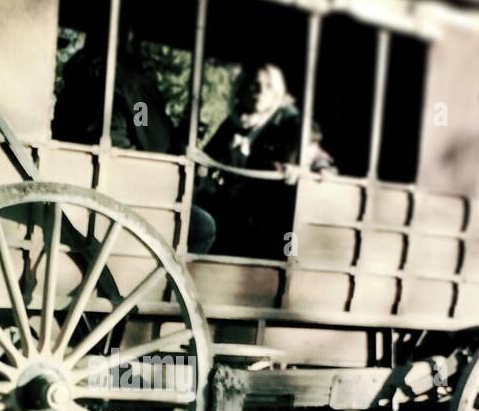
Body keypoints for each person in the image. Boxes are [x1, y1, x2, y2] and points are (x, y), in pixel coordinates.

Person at [191, 63, 332, 256]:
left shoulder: (288, 121)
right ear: (242, 88)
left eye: (268, 87)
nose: (260, 91)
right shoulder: (236, 121)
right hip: (235, 208)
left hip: (269, 217)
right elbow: (206, 158)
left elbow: (318, 158)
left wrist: (304, 170)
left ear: (276, 93)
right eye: (254, 84)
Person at [52, 24, 176, 154]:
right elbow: (155, 140)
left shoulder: (76, 79)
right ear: (128, 38)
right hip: (118, 165)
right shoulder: (132, 86)